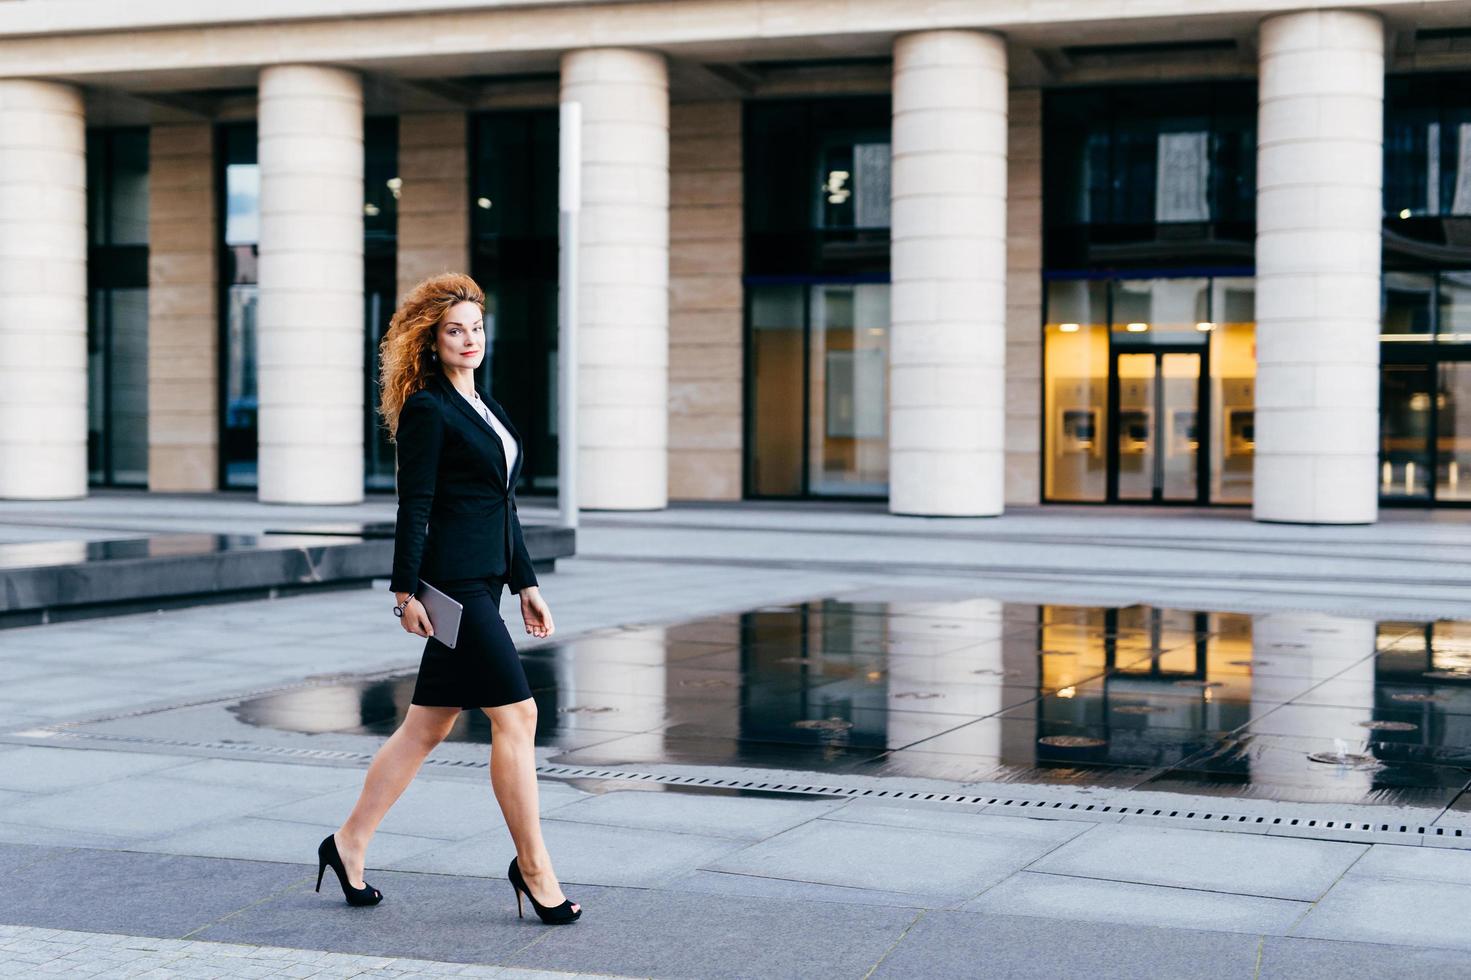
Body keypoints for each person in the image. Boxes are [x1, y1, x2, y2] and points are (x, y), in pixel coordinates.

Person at [313, 272, 580, 924]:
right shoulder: (429, 408)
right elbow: (417, 504)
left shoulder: (483, 405)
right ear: (431, 340)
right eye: (454, 330)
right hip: (454, 588)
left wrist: (526, 582)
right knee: (516, 717)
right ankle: (533, 868)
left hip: (486, 584)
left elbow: (501, 504)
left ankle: (346, 843)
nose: (468, 340)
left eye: (476, 329)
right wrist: (402, 591)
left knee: (425, 726)